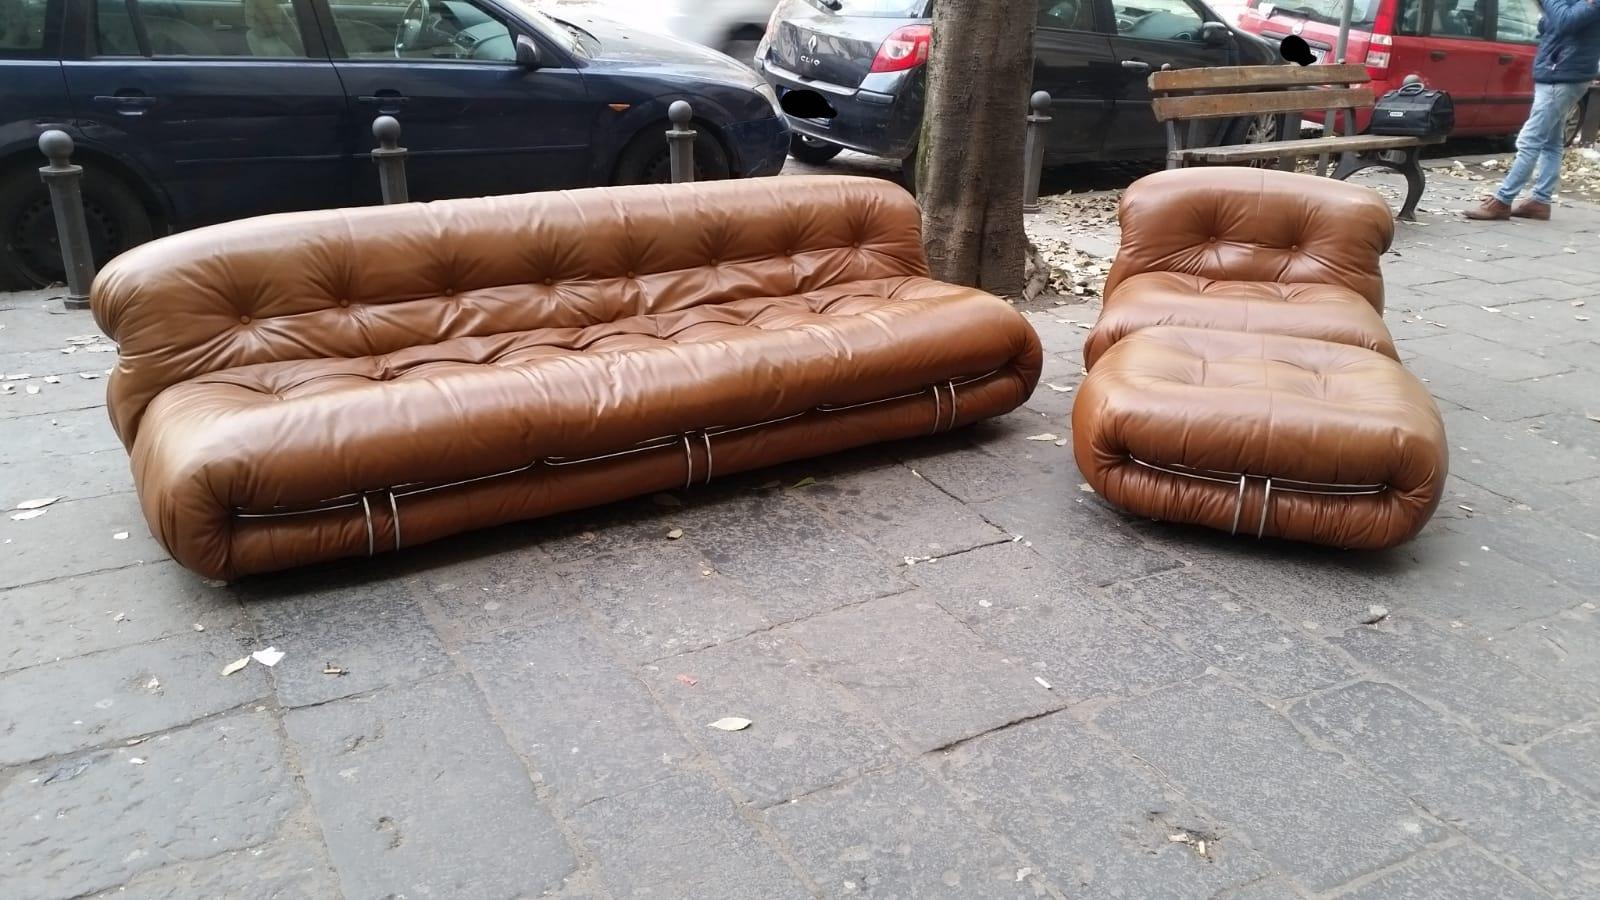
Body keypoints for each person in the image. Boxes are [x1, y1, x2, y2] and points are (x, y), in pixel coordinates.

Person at [1467, 0, 1600, 220]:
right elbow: (1548, 26)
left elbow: (1566, 22)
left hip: (1564, 75)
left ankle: (1502, 200)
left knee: (1530, 139)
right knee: (1551, 140)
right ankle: (1540, 200)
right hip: (1557, 72)